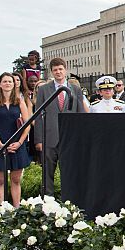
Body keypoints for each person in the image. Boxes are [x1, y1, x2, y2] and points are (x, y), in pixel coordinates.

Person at [33, 58, 84, 196]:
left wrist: (80, 138)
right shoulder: (44, 89)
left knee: (69, 172)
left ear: (65, 70)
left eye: (60, 69)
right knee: (47, 173)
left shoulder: (75, 89)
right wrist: (38, 140)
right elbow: (38, 115)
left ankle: (69, 200)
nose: (58, 72)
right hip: (49, 138)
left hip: (69, 139)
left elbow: (81, 115)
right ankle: (48, 202)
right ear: (51, 72)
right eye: (55, 70)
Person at [0, 72, 31, 205]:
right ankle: (1, 209)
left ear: (14, 84)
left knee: (16, 180)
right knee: (1, 181)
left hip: (17, 144)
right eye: (5, 81)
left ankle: (16, 207)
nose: (7, 84)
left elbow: (27, 125)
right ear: (0, 84)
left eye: (10, 81)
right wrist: (0, 144)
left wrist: (19, 142)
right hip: (0, 144)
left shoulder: (19, 102)